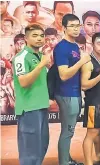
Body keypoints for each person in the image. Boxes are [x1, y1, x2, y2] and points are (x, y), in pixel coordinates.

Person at [54, 14, 90, 165]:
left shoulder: (75, 45)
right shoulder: (61, 47)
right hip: (66, 94)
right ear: (63, 28)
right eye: (72, 26)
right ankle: (64, 162)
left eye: (78, 26)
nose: (76, 29)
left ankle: (67, 159)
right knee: (67, 131)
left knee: (69, 130)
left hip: (75, 93)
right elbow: (63, 75)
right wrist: (82, 61)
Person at [13, 24, 51, 165]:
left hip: (41, 106)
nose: (39, 38)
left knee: (41, 146)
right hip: (28, 108)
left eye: (41, 35)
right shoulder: (21, 57)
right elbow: (23, 81)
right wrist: (41, 65)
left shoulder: (40, 56)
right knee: (30, 150)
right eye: (35, 35)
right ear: (26, 38)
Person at [81, 32, 100, 165]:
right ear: (92, 44)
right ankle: (88, 162)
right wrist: (99, 77)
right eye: (99, 43)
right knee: (91, 133)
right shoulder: (89, 62)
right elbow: (84, 85)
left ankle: (98, 156)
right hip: (93, 104)